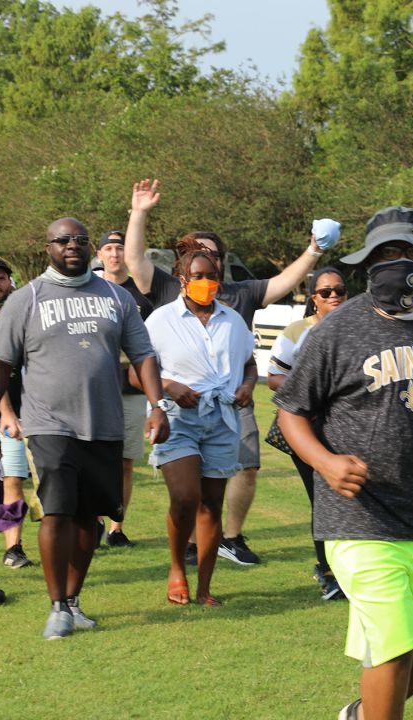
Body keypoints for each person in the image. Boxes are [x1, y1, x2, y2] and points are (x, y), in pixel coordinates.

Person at [273, 206, 413, 720]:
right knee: (391, 644)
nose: (402, 263)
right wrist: (325, 463)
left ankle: (361, 714)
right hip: (358, 516)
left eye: (412, 253)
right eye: (389, 254)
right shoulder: (335, 331)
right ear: (368, 263)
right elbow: (290, 413)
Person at [123, 178, 340, 565]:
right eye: (196, 254)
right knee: (189, 488)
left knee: (246, 467)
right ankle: (190, 545)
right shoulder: (167, 288)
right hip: (182, 406)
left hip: (232, 402)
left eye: (212, 254)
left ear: (222, 259)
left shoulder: (240, 293)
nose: (205, 261)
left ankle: (231, 537)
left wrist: (312, 250)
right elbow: (135, 262)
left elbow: (284, 282)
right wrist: (138, 214)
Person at [0, 218, 170, 639]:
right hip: (49, 423)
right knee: (57, 511)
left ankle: (72, 601)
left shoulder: (115, 296)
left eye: (80, 240)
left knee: (89, 517)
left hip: (103, 424)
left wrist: (158, 405)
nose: (73, 246)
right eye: (63, 240)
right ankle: (55, 608)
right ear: (47, 245)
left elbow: (142, 355)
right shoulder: (27, 297)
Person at [143, 240, 258, 606]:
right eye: (197, 276)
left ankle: (205, 586)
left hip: (223, 418)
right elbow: (138, 372)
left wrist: (247, 385)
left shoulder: (233, 321)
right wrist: (169, 386)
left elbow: (250, 362)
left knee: (211, 504)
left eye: (211, 277)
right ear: (181, 279)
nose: (205, 282)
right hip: (179, 418)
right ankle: (177, 568)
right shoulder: (161, 320)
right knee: (185, 497)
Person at [266, 265, 349, 601]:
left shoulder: (359, 328)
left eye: (339, 290)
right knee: (322, 498)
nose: (333, 296)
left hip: (349, 430)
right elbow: (274, 378)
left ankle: (352, 570)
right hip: (307, 430)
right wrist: (312, 395)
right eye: (325, 291)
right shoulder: (297, 331)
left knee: (350, 498)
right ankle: (327, 571)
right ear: (313, 297)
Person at [93, 229, 154, 547]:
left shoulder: (142, 292)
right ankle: (95, 522)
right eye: (109, 248)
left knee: (125, 460)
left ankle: (117, 526)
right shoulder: (87, 288)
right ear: (99, 254)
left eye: (120, 248)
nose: (115, 254)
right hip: (94, 388)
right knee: (94, 457)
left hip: (131, 389)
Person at [0, 257, 33, 568]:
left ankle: (13, 548)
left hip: (21, 413)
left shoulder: (19, 320)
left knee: (13, 477)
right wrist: (3, 410)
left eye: (2, 278)